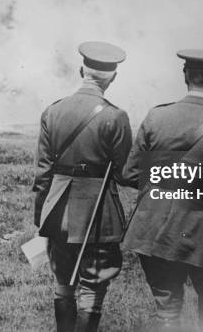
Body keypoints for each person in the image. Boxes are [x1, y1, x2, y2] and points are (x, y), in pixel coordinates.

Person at [122, 50, 203, 332]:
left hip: (153, 229)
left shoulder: (156, 117)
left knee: (166, 311)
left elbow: (130, 174)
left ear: (185, 76)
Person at [32, 41, 132, 332]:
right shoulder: (116, 117)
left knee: (63, 282)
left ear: (80, 70)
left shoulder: (53, 111)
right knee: (93, 285)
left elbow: (42, 174)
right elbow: (125, 174)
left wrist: (41, 219)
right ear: (113, 77)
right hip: (97, 213)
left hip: (58, 211)